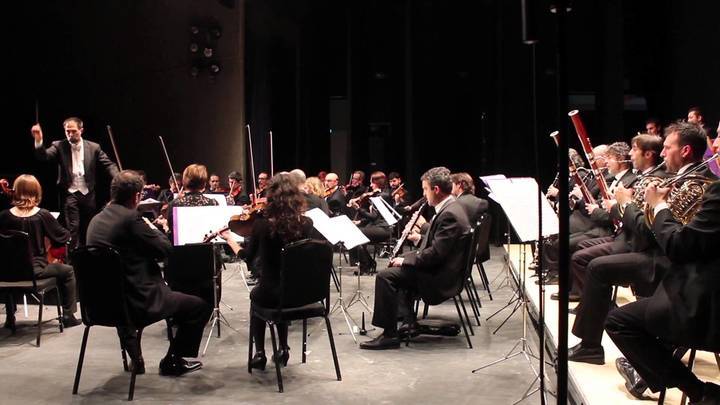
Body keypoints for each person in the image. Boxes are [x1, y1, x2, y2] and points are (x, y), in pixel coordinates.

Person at [568, 122, 717, 365]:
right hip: (654, 249)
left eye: (667, 148)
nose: (662, 153)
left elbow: (655, 230)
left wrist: (626, 206)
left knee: (597, 267)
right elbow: (654, 223)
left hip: (665, 258)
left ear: (686, 151)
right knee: (592, 261)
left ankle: (592, 346)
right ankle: (594, 342)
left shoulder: (697, 184)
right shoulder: (678, 179)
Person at [86, 170, 211, 376]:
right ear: (137, 196)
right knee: (198, 307)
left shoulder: (95, 220)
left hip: (102, 304)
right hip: (138, 301)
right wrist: (149, 225)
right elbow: (165, 249)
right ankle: (173, 360)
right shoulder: (132, 220)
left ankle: (136, 356)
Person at [605, 179, 720, 404]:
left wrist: (659, 206)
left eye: (718, 142)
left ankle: (700, 393)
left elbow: (678, 245)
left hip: (708, 301)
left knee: (619, 321)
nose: (714, 147)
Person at [359, 167, 470, 350]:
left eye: (425, 189)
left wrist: (406, 260)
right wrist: (408, 254)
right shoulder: (452, 207)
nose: (424, 194)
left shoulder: (449, 213)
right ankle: (406, 321)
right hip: (443, 268)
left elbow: (436, 254)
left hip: (440, 277)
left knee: (385, 276)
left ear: (435, 190)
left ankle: (389, 334)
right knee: (400, 262)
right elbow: (438, 246)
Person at [219, 172, 315, 369]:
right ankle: (284, 349)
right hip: (301, 294)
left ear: (271, 196)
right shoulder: (307, 224)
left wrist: (229, 239)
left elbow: (248, 256)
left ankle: (260, 353)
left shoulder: (262, 225)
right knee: (280, 296)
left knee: (257, 298)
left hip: (272, 292)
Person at [0, 174, 81, 329]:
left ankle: (10, 317)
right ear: (36, 192)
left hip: (6, 273)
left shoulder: (4, 216)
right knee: (68, 271)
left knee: (12, 268)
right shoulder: (42, 215)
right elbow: (63, 237)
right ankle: (68, 315)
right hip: (35, 271)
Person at [31, 118, 119, 249]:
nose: (70, 134)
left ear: (81, 130)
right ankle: (73, 258)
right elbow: (44, 156)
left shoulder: (94, 147)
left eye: (74, 131)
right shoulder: (59, 145)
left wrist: (119, 177)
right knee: (73, 227)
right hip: (70, 193)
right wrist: (38, 141)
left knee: (89, 225)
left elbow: (108, 164)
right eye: (68, 131)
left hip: (88, 193)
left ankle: (91, 253)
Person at [164, 164, 218, 239]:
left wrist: (165, 227)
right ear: (204, 183)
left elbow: (172, 233)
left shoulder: (175, 204)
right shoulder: (214, 203)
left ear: (184, 181)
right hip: (206, 248)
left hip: (181, 249)